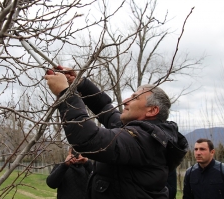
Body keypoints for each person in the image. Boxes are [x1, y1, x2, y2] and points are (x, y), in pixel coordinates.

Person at [44, 66, 188, 199]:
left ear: (152, 110)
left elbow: (88, 138)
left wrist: (65, 94)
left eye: (134, 98)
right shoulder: (136, 133)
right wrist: (80, 83)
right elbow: (104, 108)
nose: (125, 101)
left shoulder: (145, 141)